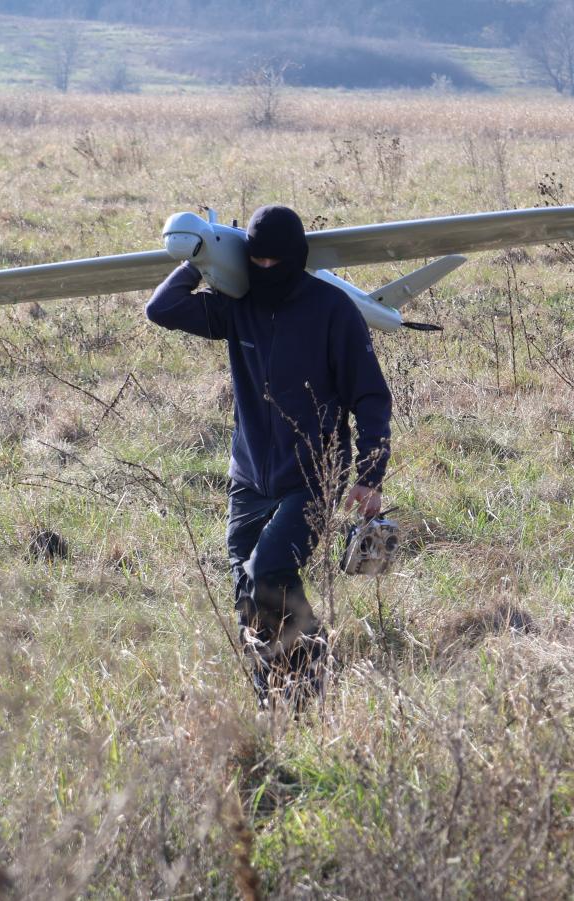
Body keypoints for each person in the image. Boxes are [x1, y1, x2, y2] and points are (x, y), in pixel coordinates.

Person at [145, 204, 393, 708]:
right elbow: (162, 309)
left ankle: (309, 675)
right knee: (248, 591)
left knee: (268, 573)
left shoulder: (331, 309)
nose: (262, 272)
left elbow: (370, 396)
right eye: (253, 261)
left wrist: (368, 474)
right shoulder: (237, 306)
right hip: (248, 479)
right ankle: (282, 698)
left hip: (312, 478)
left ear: (296, 258)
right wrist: (199, 256)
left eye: (272, 263)